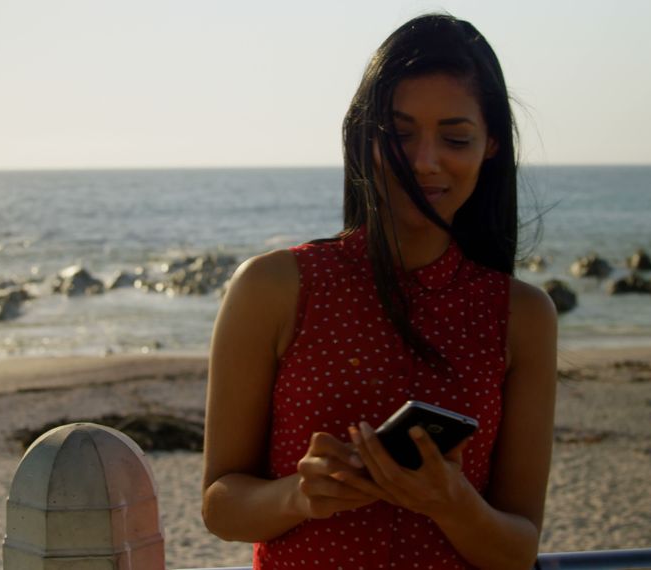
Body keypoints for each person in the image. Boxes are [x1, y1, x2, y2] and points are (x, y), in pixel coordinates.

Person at [202, 13, 556, 570]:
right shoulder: (272, 288)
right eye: (400, 133)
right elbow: (221, 504)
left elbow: (517, 550)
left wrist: (451, 501)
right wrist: (299, 493)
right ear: (365, 136)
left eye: (455, 138)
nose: (424, 162)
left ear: (490, 146)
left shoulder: (522, 316)